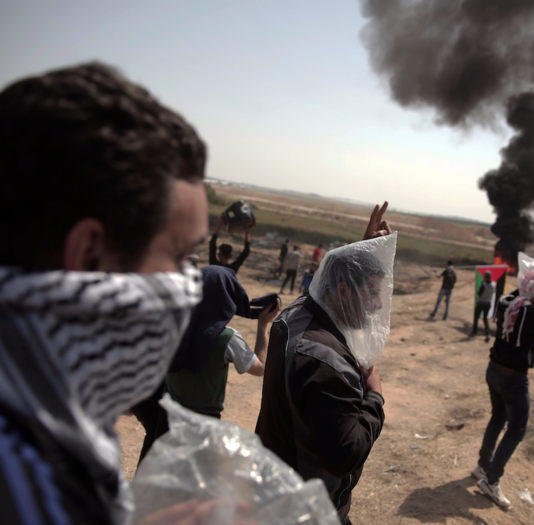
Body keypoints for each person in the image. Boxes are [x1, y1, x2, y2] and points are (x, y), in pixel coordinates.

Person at [0, 63, 210, 524]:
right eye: (179, 257)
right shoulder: (27, 480)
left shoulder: (43, 426)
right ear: (90, 256)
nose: (188, 282)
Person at [256, 203, 391, 525]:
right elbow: (344, 455)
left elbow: (321, 285)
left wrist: (358, 253)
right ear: (343, 291)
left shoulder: (293, 317)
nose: (377, 305)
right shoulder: (324, 362)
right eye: (371, 293)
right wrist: (375, 397)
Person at [472, 272, 534, 508]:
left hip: (493, 370)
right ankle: (491, 480)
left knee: (498, 418)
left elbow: (521, 294)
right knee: (516, 428)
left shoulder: (507, 302)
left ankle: (483, 466)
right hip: (513, 378)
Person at [166, 266, 280, 418]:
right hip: (203, 424)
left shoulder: (171, 327)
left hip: (167, 417)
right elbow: (260, 368)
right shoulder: (227, 338)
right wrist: (262, 325)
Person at [471, 270, 495, 340]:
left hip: (481, 302)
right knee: (485, 319)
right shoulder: (493, 284)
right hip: (488, 303)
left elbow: (479, 294)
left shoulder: (484, 284)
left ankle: (474, 332)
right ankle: (488, 333)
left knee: (476, 318)